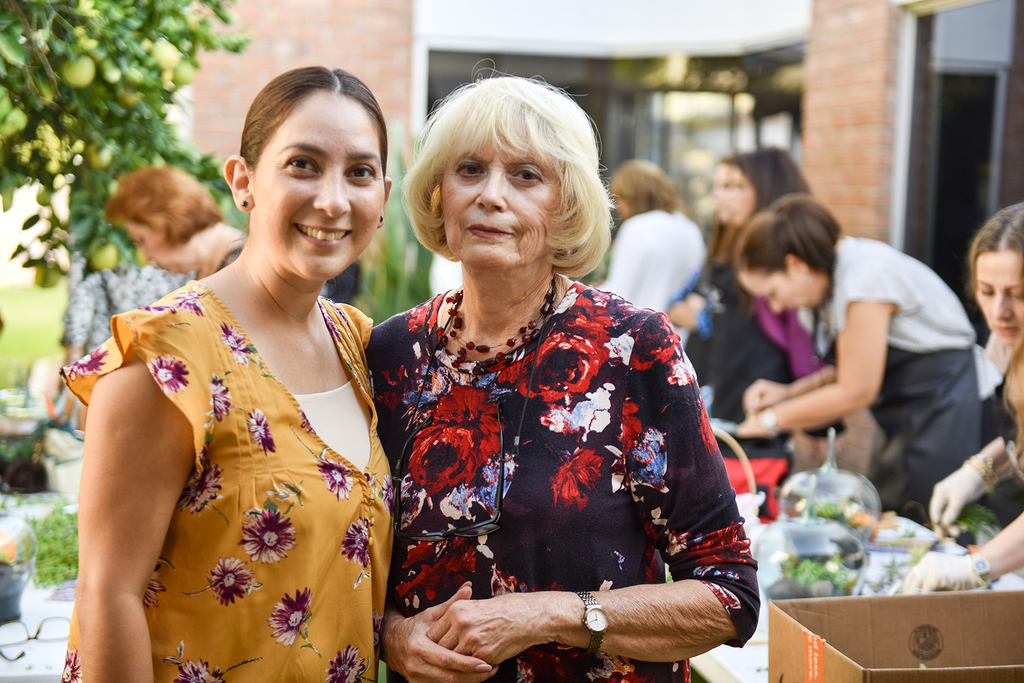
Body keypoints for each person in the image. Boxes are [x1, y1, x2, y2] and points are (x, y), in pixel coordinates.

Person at [368, 76, 758, 683]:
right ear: (437, 194)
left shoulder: (633, 347)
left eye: (526, 175)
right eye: (469, 170)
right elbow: (355, 559)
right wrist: (392, 635)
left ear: (567, 204)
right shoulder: (392, 352)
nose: (491, 196)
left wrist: (553, 615)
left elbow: (729, 595)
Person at [59, 66, 393, 682]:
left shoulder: (360, 343)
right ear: (243, 182)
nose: (333, 199)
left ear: (384, 198)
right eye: (302, 164)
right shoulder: (166, 356)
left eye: (359, 172)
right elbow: (107, 597)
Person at [735, 194, 981, 523]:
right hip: (901, 418)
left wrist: (770, 421)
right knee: (888, 518)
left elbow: (856, 389)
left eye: (772, 294)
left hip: (947, 409)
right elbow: (846, 369)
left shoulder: (864, 277)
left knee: (934, 524)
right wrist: (787, 393)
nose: (776, 307)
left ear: (796, 266)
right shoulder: (824, 292)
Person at [665, 148, 823, 519]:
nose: (720, 196)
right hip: (713, 398)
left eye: (734, 186)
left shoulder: (780, 272)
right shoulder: (719, 254)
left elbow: (806, 352)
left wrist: (811, 420)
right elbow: (676, 304)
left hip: (758, 412)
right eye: (719, 185)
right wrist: (695, 314)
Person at [904, 202, 1024, 592]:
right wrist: (981, 469)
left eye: (1017, 294)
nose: (999, 311)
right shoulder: (1008, 340)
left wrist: (978, 566)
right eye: (987, 292)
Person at [63, 167, 245, 363]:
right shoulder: (210, 269)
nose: (146, 256)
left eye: (141, 240)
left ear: (167, 221)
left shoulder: (240, 269)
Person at [601, 160, 705, 345]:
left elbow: (618, 296)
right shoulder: (691, 229)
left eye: (619, 199)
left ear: (632, 196)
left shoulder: (637, 227)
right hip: (677, 345)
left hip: (636, 343)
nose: (619, 207)